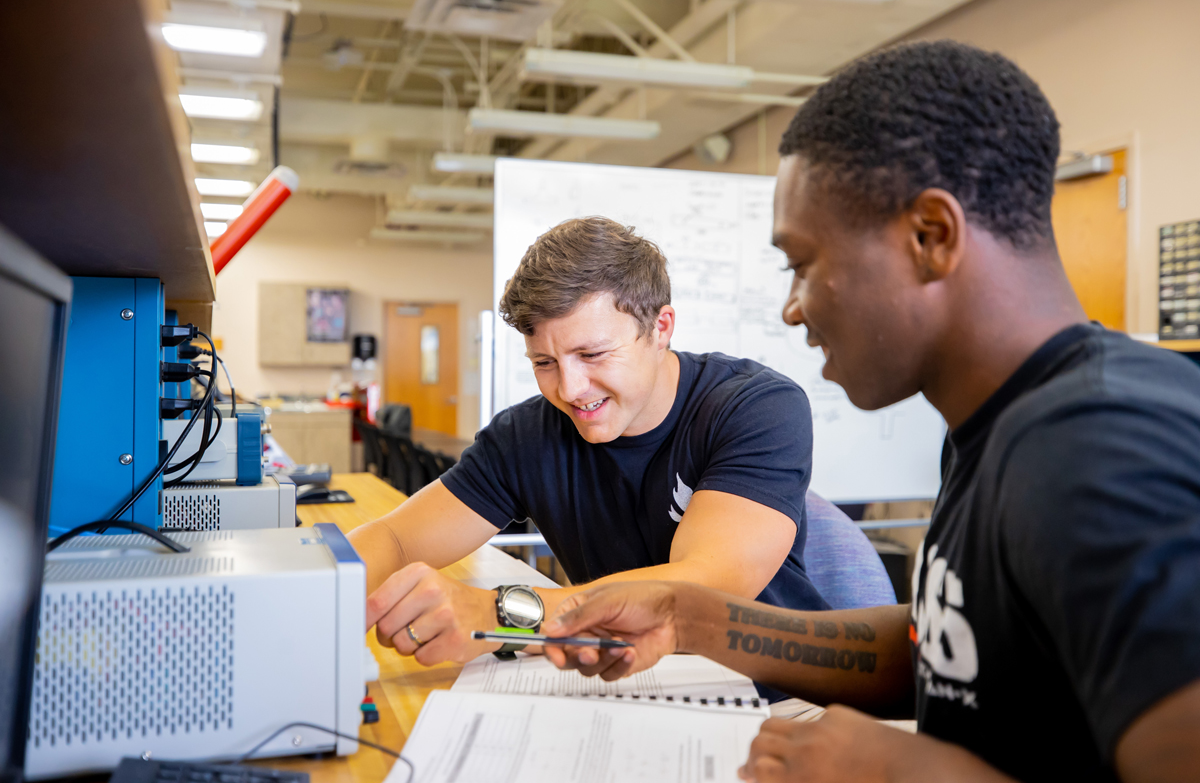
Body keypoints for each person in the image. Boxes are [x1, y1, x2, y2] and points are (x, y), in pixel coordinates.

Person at [542, 40, 1200, 783]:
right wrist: (690, 617)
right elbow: (945, 648)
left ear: (931, 238)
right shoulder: (997, 430)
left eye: (804, 264)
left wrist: (905, 773)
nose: (793, 308)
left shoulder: (1097, 445)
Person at [351, 216, 829, 667]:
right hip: (621, 685)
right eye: (544, 363)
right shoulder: (525, 437)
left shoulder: (756, 407)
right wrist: (311, 591)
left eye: (593, 354)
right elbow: (394, 538)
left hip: (768, 693)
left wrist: (505, 616)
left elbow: (704, 584)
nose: (570, 389)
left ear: (660, 328)